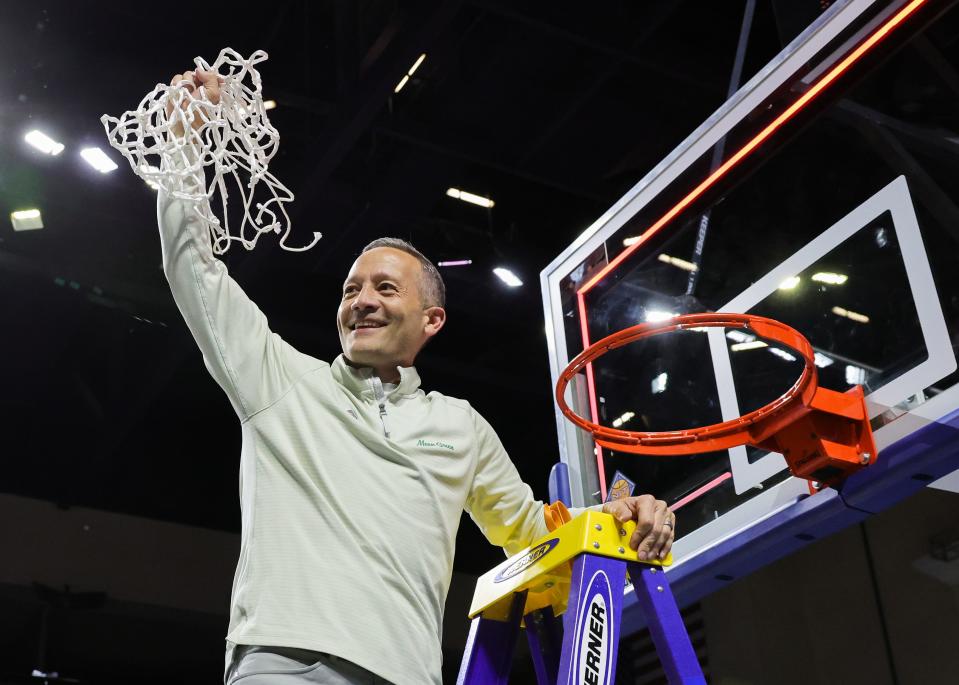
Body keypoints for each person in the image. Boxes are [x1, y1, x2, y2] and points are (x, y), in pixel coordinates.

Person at [159, 68, 676, 685]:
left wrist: (616, 521)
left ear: (432, 319)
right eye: (352, 289)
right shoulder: (279, 381)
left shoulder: (460, 426)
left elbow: (531, 534)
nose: (362, 301)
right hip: (283, 661)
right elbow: (194, 269)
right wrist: (183, 151)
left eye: (384, 288)